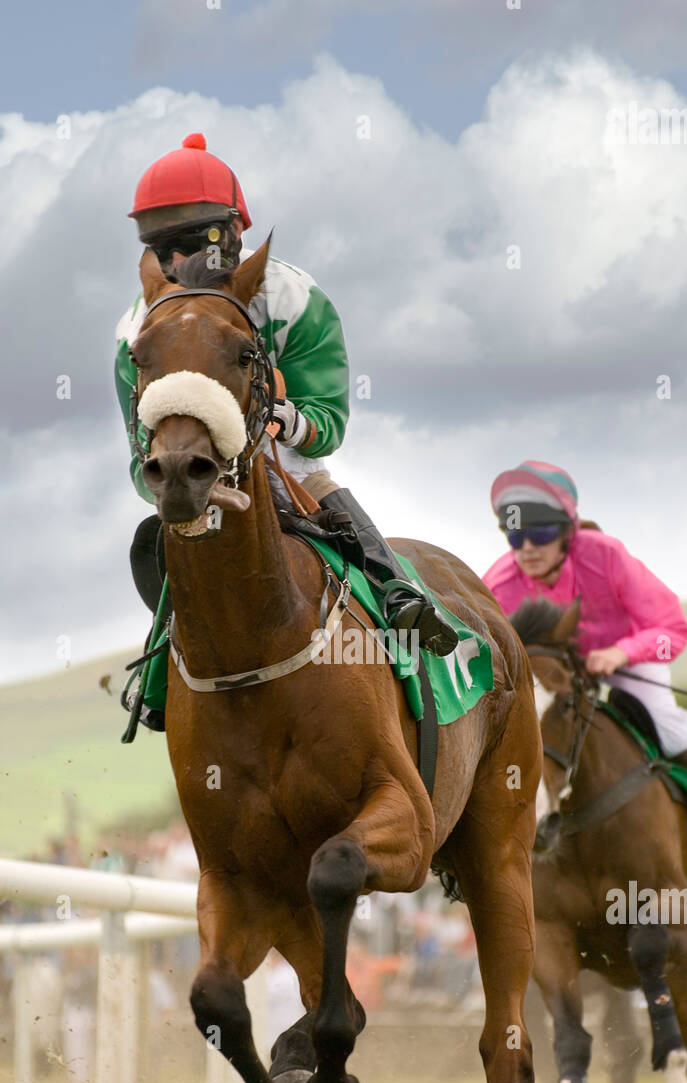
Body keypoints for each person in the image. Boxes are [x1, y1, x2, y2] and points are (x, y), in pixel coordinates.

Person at [115, 133, 457, 677]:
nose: (178, 261)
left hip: (289, 465)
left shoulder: (295, 298)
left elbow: (329, 423)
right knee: (158, 556)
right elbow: (140, 454)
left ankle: (401, 602)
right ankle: (159, 674)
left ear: (231, 232)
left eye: (191, 240)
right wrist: (166, 481)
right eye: (161, 249)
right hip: (195, 474)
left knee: (336, 506)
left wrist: (281, 415)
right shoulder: (136, 331)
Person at [482, 459, 687, 856]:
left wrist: (621, 652)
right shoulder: (498, 583)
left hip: (628, 657)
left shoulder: (607, 555)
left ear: (567, 533)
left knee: (662, 715)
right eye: (515, 538)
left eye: (540, 533)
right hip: (555, 675)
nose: (526, 549)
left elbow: (673, 629)